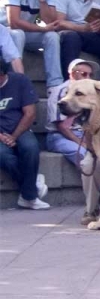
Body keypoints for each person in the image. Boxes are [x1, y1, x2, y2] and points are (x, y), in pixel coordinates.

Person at [46, 58, 100, 224]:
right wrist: (87, 145)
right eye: (83, 74)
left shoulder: (91, 92)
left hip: (86, 133)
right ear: (72, 74)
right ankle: (96, 201)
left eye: (89, 74)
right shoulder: (62, 91)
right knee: (84, 155)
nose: (87, 77)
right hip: (60, 136)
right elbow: (62, 127)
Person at [0, 0, 62, 94]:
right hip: (5, 32)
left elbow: (51, 22)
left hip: (26, 31)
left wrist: (42, 0)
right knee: (18, 34)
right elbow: (14, 22)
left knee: (52, 36)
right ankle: (13, 82)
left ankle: (55, 86)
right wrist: (42, 28)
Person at [0, 58, 50, 210]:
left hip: (20, 128)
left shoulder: (20, 81)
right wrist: (2, 137)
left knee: (30, 147)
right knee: (3, 156)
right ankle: (31, 191)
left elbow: (30, 114)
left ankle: (28, 194)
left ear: (3, 74)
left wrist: (14, 136)